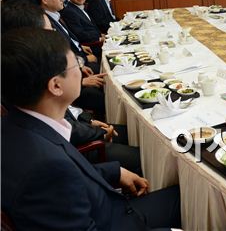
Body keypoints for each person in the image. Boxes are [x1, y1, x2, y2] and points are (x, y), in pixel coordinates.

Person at [1, 27, 181, 230]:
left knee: (183, 195)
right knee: (190, 199)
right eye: (75, 65)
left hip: (104, 206)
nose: (81, 70)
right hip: (115, 220)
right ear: (56, 86)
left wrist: (115, 172)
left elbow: (71, 178)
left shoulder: (15, 125)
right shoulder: (46, 168)